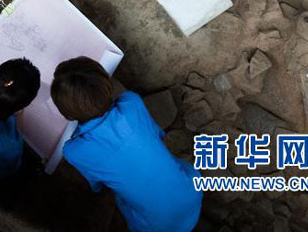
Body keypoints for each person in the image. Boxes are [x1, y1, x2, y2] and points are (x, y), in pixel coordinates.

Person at [50, 57, 202, 232]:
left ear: (67, 115)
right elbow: (158, 133)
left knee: (123, 199)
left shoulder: (73, 150)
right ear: (107, 84)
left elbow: (97, 185)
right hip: (192, 192)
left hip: (156, 226)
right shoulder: (131, 102)